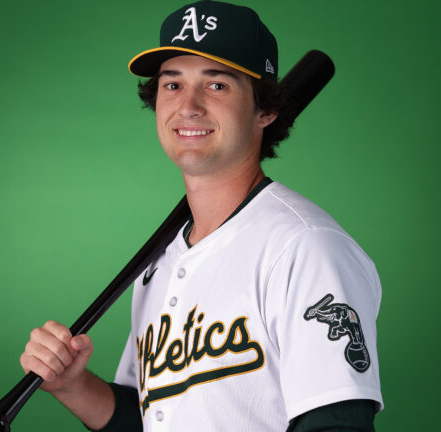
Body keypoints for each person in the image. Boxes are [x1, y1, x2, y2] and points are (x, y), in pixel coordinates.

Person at [19, 1, 383, 430]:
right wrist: (74, 386)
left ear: (266, 110)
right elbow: (152, 417)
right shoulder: (160, 261)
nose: (188, 105)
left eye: (217, 85)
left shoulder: (304, 248)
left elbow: (337, 423)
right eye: (172, 84)